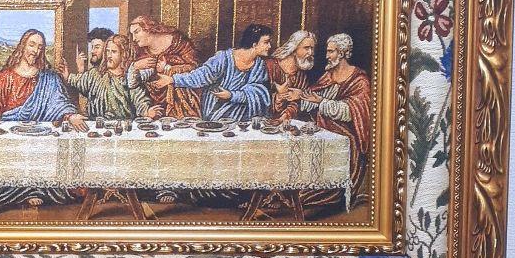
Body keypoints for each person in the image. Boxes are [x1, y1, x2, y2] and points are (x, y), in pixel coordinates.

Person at [281, 33, 372, 201]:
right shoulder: (328, 75)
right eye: (327, 51)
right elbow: (314, 101)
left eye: (331, 52)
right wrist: (300, 96)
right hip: (322, 127)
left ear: (342, 53)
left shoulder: (359, 80)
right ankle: (293, 190)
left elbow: (351, 111)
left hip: (345, 134)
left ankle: (315, 194)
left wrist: (321, 102)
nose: (327, 56)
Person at [151, 23, 273, 123]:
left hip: (244, 116)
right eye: (266, 42)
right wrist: (173, 79)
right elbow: (200, 76)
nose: (269, 46)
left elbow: (260, 92)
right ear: (254, 44)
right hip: (217, 112)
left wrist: (232, 95)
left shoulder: (259, 65)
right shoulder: (223, 58)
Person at [0, 30, 86, 129]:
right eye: (32, 45)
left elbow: (60, 103)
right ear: (23, 46)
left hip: (42, 131)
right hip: (11, 130)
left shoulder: (49, 78)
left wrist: (70, 115)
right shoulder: (7, 76)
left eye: (40, 47)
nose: (35, 51)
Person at [58, 32, 151, 119]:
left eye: (113, 52)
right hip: (97, 125)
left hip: (122, 126)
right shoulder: (95, 74)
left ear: (124, 55)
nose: (109, 56)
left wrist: (147, 111)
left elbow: (140, 99)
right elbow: (78, 81)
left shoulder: (131, 78)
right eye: (107, 51)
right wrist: (67, 76)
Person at [127, 15, 201, 118]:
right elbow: (134, 85)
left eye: (136, 32)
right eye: (132, 34)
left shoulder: (178, 42)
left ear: (148, 29)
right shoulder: (140, 52)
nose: (134, 38)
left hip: (181, 100)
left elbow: (194, 68)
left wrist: (168, 68)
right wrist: (135, 67)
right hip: (153, 105)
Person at [265, 30, 316, 122]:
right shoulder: (269, 66)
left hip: (286, 121)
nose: (311, 53)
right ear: (294, 49)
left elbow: (297, 103)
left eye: (312, 48)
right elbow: (259, 96)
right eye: (306, 48)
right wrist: (278, 97)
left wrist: (286, 115)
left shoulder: (301, 74)